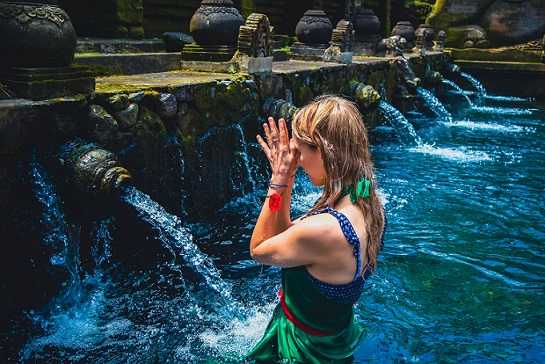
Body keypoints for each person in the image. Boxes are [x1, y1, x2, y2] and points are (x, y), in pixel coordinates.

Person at [248, 95, 386, 363]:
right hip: (337, 337)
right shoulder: (367, 201)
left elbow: (260, 249)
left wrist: (277, 181)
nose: (296, 162)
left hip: (304, 349)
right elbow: (288, 236)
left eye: (300, 153)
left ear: (324, 151)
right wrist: (287, 179)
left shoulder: (325, 230)